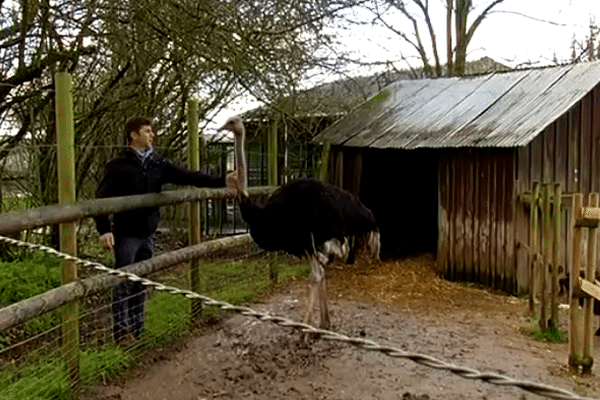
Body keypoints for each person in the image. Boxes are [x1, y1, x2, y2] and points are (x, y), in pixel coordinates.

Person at [95, 116, 235, 345]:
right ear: (133, 135)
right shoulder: (118, 166)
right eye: (147, 131)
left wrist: (222, 181)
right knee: (123, 281)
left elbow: (189, 176)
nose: (152, 135)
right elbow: (101, 198)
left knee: (142, 281)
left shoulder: (158, 165)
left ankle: (138, 329)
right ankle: (121, 331)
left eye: (152, 131)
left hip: (147, 233)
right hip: (127, 234)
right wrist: (104, 228)